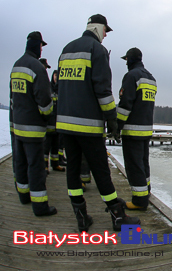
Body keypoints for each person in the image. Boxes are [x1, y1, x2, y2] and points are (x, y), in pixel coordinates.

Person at [57, 14, 139, 232]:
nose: (105, 36)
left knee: (72, 170)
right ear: (99, 28)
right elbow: (102, 90)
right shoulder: (97, 50)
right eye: (105, 31)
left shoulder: (66, 49)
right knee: (101, 171)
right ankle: (117, 215)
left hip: (65, 124)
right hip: (88, 125)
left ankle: (81, 216)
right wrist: (111, 118)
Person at [10, 31, 57, 216]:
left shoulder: (16, 66)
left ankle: (23, 196)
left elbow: (13, 96)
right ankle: (40, 206)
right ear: (38, 46)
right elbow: (44, 100)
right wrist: (47, 116)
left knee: (20, 163)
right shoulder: (37, 68)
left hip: (18, 126)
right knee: (36, 167)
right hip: (34, 129)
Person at [116, 47, 157, 211]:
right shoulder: (151, 78)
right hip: (146, 130)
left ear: (130, 60)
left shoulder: (131, 76)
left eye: (126, 60)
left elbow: (125, 105)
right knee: (143, 163)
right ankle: (146, 191)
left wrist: (116, 126)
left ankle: (139, 201)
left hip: (132, 130)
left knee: (134, 166)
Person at [41, 60, 65, 174]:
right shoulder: (48, 88)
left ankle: (55, 164)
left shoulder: (60, 90)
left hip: (58, 124)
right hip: (48, 123)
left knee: (56, 146)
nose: (56, 77)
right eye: (55, 75)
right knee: (46, 147)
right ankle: (44, 166)